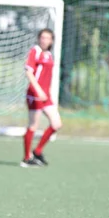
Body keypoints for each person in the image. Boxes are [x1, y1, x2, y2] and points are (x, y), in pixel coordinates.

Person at [21, 28, 62, 167]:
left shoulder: (49, 55)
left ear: (51, 40)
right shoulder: (35, 51)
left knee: (56, 124)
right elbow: (29, 72)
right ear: (39, 38)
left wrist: (45, 92)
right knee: (33, 125)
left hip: (46, 96)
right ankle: (26, 158)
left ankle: (37, 151)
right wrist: (38, 91)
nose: (44, 40)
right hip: (35, 94)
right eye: (42, 37)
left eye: (47, 38)